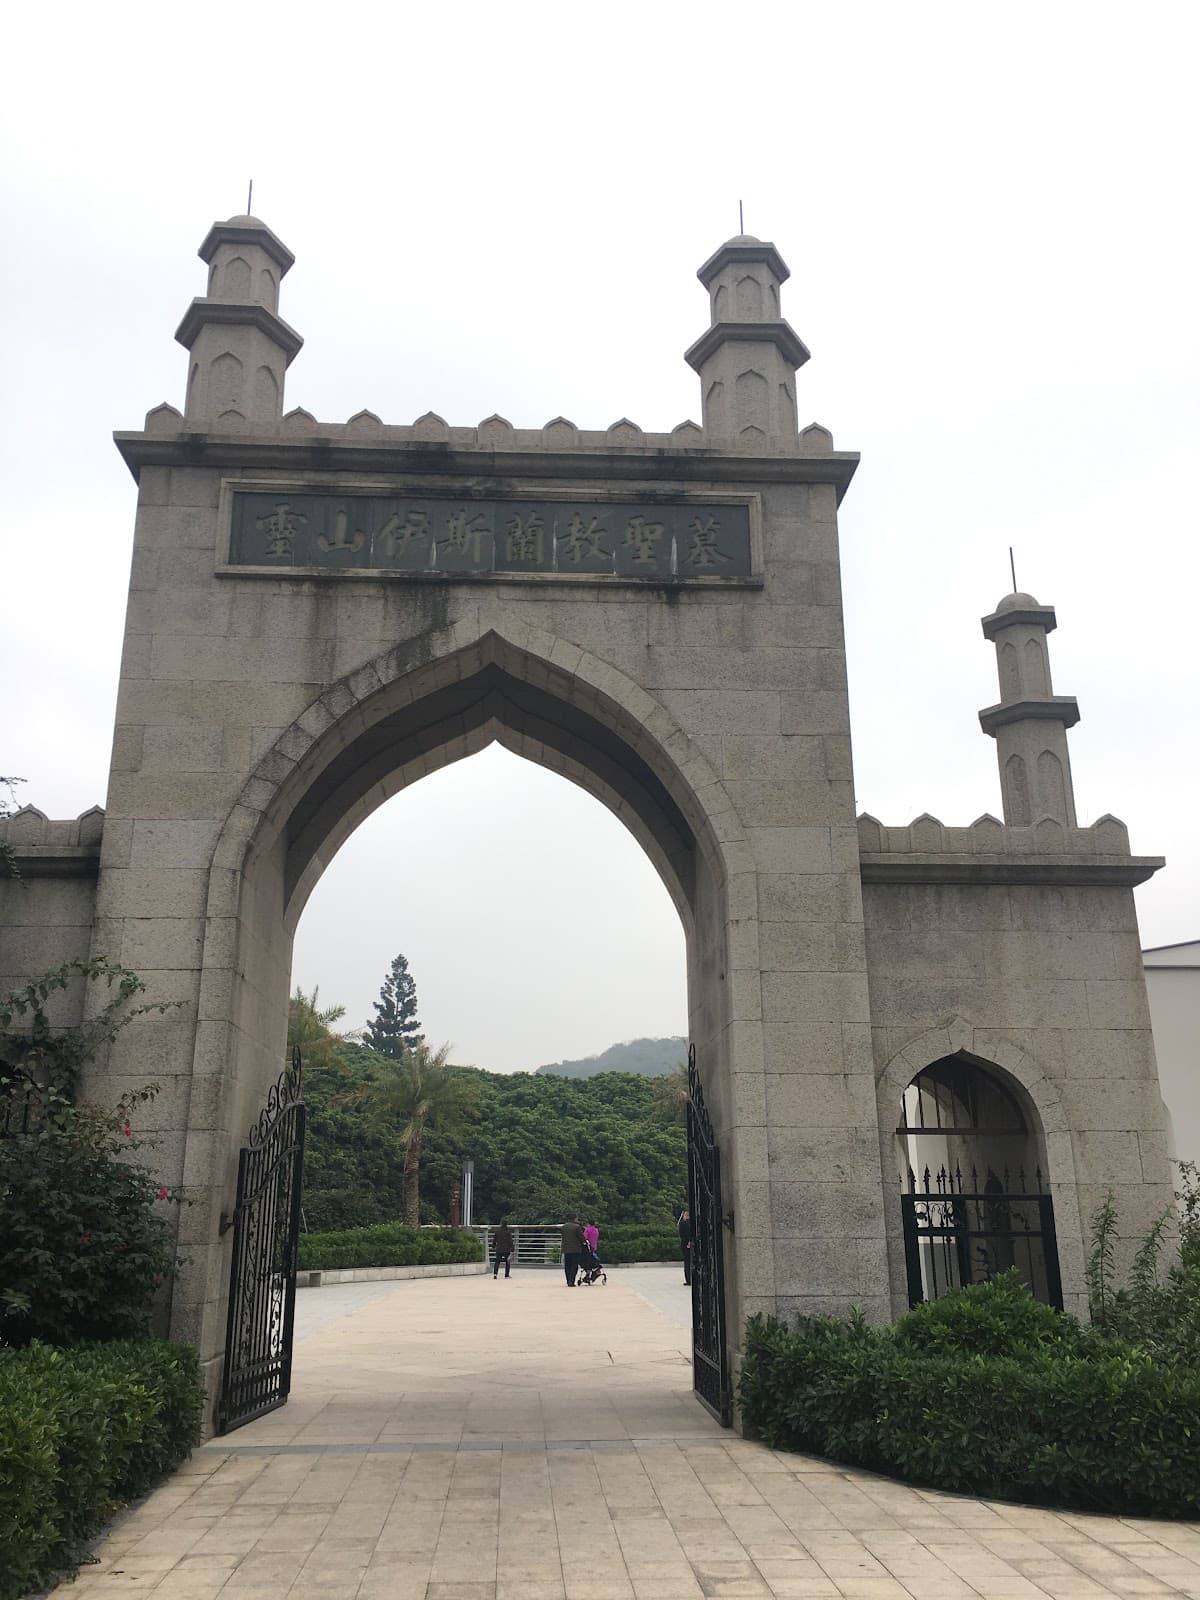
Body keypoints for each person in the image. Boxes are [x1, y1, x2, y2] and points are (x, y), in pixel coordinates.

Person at [561, 1215, 588, 1286]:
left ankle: (568, 1281)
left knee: (567, 1265)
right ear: (574, 1219)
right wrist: (584, 1242)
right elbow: (581, 1237)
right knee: (574, 1265)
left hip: (566, 1248)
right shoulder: (577, 1227)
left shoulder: (564, 1227)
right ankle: (571, 1281)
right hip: (575, 1249)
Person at [678, 1207, 692, 1285]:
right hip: (692, 1243)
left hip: (685, 1244)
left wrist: (687, 1241)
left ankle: (688, 1280)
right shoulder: (692, 1223)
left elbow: (681, 1234)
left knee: (687, 1263)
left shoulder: (683, 1223)